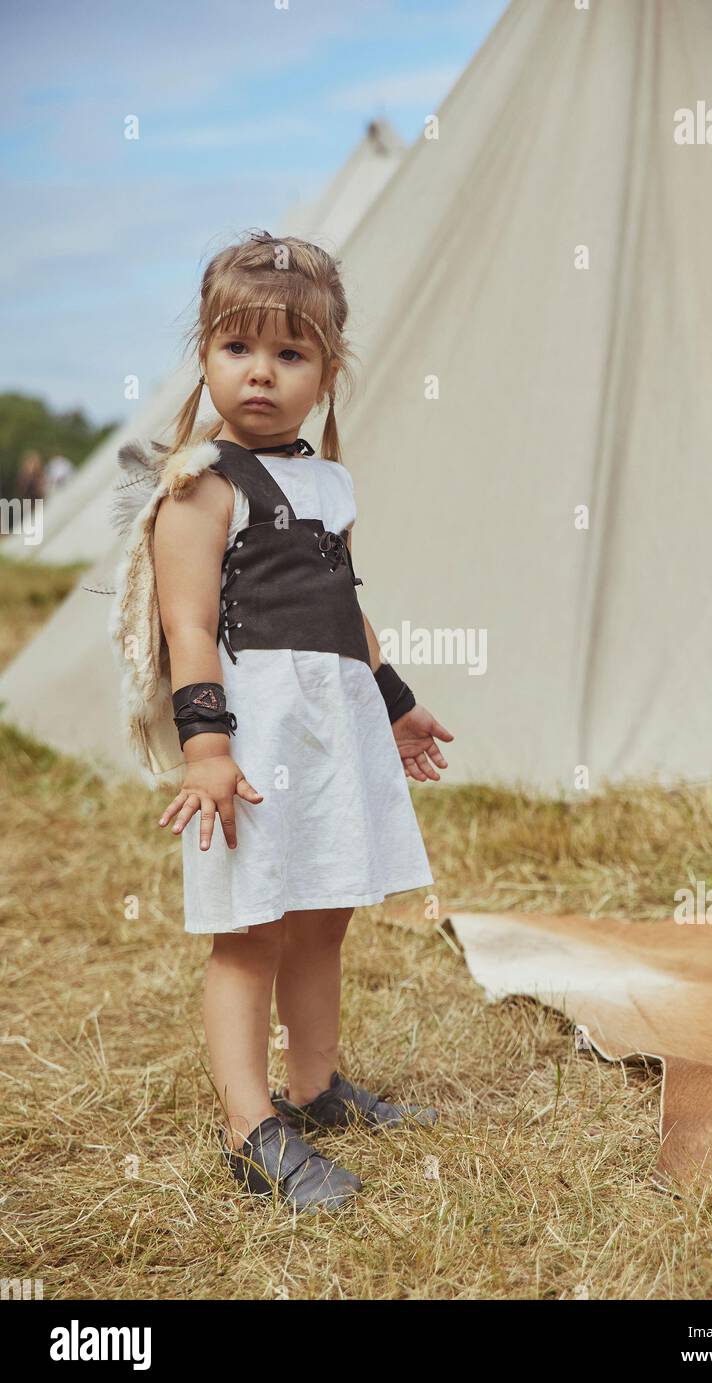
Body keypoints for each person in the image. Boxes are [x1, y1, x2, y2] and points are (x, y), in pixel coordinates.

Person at [113, 231, 454, 1213]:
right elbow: (185, 625)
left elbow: (344, 609)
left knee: (322, 913)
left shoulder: (328, 485)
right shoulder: (200, 487)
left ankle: (314, 1088)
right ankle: (250, 1127)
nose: (259, 372)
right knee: (249, 928)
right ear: (208, 355)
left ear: (327, 370)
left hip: (328, 727)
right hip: (255, 737)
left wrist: (394, 705)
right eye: (236, 349)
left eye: (289, 354)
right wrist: (208, 749)